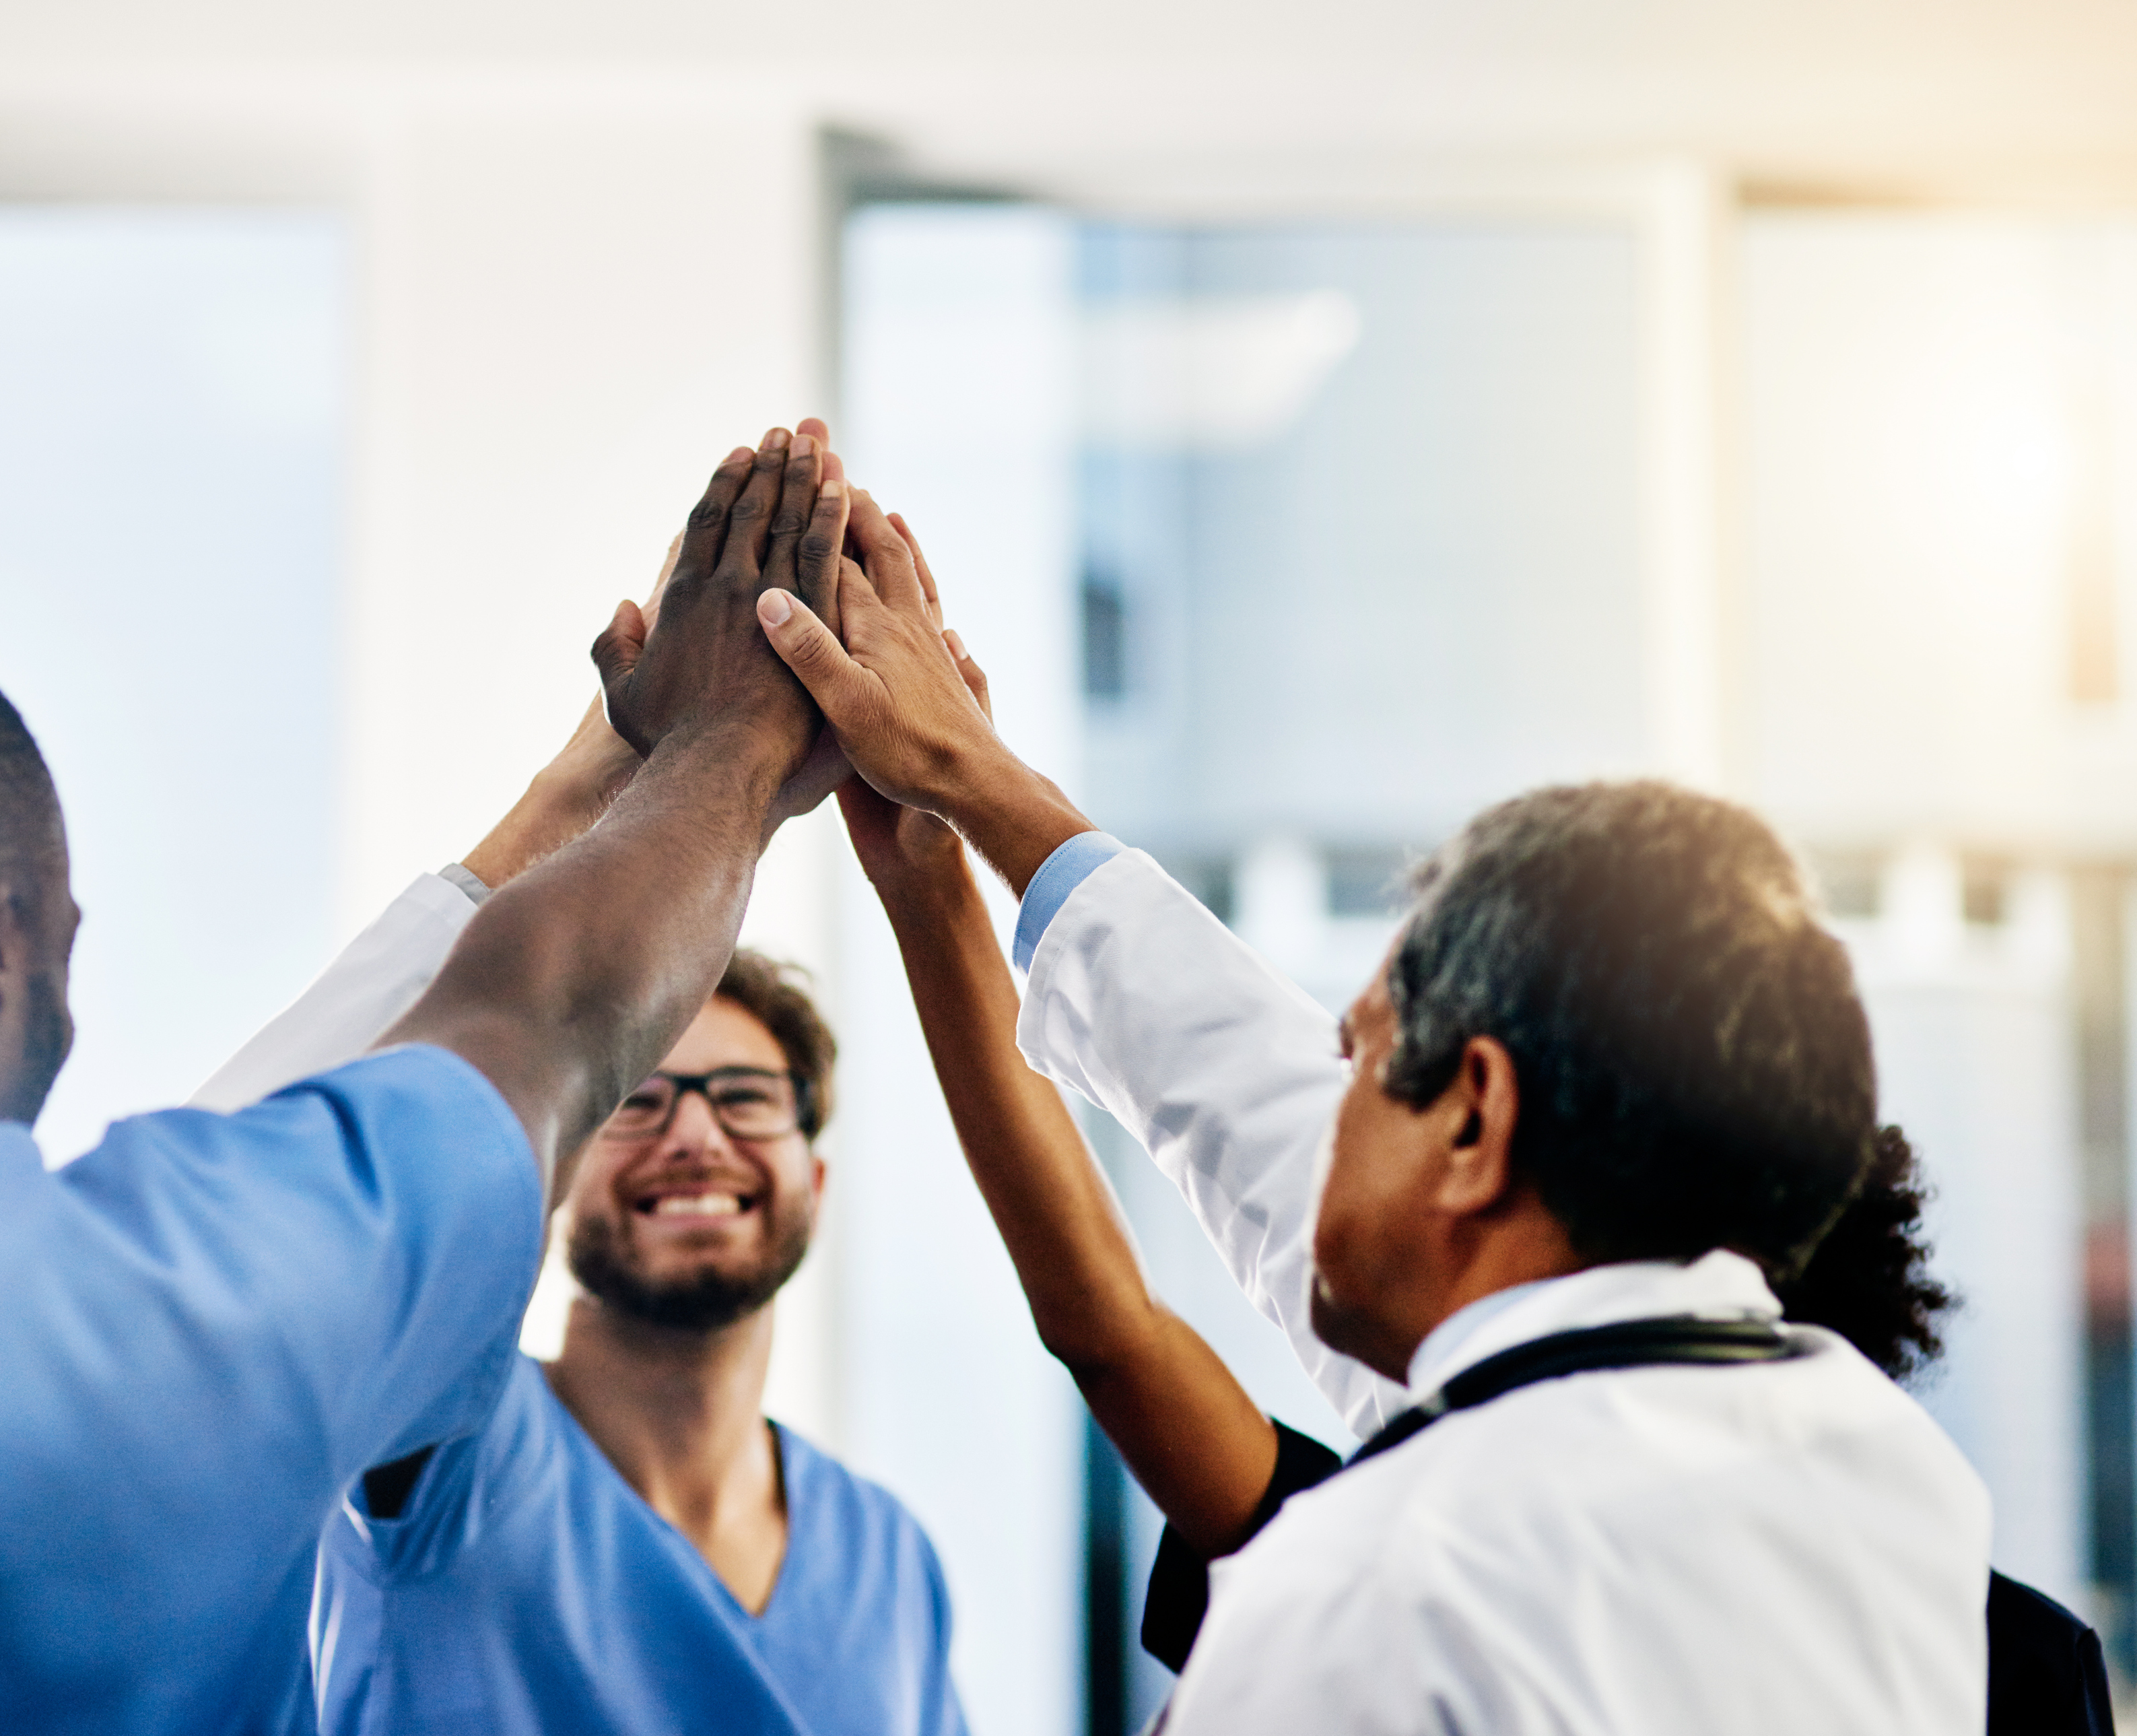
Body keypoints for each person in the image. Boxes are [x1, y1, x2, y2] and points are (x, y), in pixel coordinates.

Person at [0, 421, 848, 1732]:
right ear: (1, 943)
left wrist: (610, 765)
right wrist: (729, 738)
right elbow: (541, 1017)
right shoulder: (167, 1310)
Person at [762, 498, 1992, 1732]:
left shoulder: (1372, 1592)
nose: (1323, 1107)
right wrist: (968, 804)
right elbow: (1252, 1106)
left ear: (1475, 1124)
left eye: (1354, 1065)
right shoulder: (1893, 1491)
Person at [193, 448, 965, 1733]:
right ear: (551, 1151)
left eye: (743, 1100)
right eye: (640, 1100)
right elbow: (338, 1140)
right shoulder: (438, 1446)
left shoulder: (889, 1558)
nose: (694, 1135)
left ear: (816, 1176)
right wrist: (608, 768)